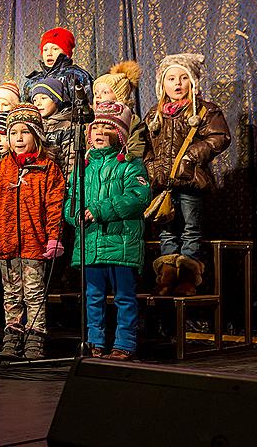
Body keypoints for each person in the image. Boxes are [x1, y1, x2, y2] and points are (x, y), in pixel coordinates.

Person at [66, 101, 151, 361]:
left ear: (120, 135)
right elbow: (71, 199)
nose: (99, 133)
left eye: (107, 128)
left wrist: (100, 210)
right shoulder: (83, 167)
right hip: (91, 242)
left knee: (124, 296)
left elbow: (139, 197)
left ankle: (124, 342)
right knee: (93, 296)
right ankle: (95, 340)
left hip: (121, 242)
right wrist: (75, 214)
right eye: (96, 128)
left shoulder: (130, 165)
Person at [0, 103, 65, 360]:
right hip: (6, 244)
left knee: (33, 291)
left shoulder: (47, 168)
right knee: (11, 292)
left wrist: (54, 237)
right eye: (14, 132)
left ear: (36, 135)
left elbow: (55, 205)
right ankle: (12, 334)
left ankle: (35, 335)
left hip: (34, 243)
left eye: (25, 132)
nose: (18, 138)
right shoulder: (2, 168)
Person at [144, 53, 230, 295]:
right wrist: (151, 167)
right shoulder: (154, 114)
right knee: (166, 229)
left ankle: (188, 276)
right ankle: (168, 274)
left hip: (190, 181)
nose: (178, 83)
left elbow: (220, 137)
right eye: (171, 78)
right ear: (163, 84)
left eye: (183, 78)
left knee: (190, 229)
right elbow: (146, 146)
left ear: (193, 82)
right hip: (163, 185)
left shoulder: (205, 110)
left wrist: (192, 156)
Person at [22, 27, 94, 107]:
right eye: (45, 49)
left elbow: (87, 109)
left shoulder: (77, 76)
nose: (49, 53)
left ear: (66, 52)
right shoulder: (32, 82)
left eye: (55, 49)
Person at [93, 61, 147, 160]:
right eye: (95, 93)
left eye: (105, 92)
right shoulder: (91, 120)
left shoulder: (132, 120)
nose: (98, 96)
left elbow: (136, 149)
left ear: (119, 97)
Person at [30, 77, 76, 181]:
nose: (38, 103)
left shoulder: (67, 126)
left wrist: (67, 185)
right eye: (35, 100)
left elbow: (71, 160)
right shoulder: (34, 126)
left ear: (56, 99)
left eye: (43, 98)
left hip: (59, 182)